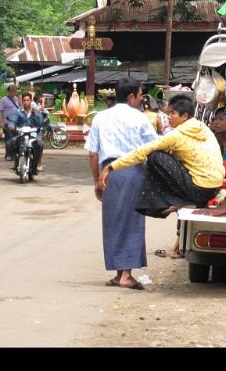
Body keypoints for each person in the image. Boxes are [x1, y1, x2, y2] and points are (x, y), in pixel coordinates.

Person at [99, 95, 224, 219]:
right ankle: (186, 200)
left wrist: (111, 167)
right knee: (168, 153)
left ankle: (169, 202)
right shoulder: (204, 128)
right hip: (215, 188)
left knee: (155, 156)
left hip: (199, 189)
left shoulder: (176, 135)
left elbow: (141, 152)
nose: (168, 117)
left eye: (172, 113)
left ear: (184, 116)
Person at [85, 77, 158, 291]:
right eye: (140, 94)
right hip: (132, 172)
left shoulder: (101, 117)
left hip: (108, 173)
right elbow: (154, 145)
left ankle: (119, 273)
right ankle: (126, 275)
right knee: (132, 221)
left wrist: (97, 180)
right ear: (131, 97)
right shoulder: (139, 118)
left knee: (113, 221)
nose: (141, 98)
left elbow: (92, 153)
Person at [7, 91, 45, 173]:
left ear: (31, 101)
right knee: (10, 142)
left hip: (34, 134)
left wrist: (36, 115)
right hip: (21, 134)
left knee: (40, 144)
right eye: (24, 100)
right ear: (22, 101)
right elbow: (14, 120)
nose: (26, 102)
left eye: (27, 100)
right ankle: (16, 160)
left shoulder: (36, 111)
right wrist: (12, 125)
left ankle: (37, 164)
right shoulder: (19, 111)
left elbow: (40, 123)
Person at [0, 84, 20, 160]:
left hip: (15, 122)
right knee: (9, 139)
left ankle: (14, 155)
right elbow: (0, 111)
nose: (14, 92)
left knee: (16, 138)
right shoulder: (3, 100)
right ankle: (8, 155)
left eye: (15, 91)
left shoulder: (16, 99)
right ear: (8, 91)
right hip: (7, 122)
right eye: (13, 91)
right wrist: (1, 122)